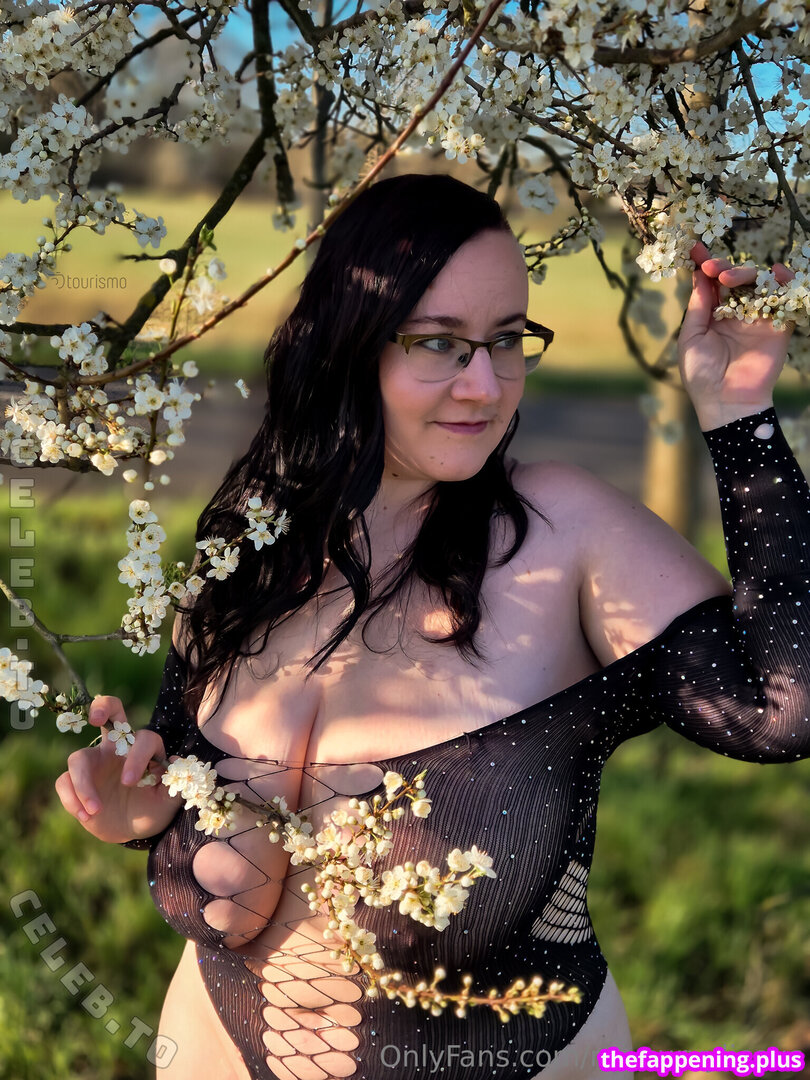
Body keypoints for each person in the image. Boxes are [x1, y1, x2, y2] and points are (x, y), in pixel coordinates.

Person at [55, 172, 810, 1080]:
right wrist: (142, 816)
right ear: (349, 343)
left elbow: (781, 710)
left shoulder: (562, 533)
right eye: (440, 343)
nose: (485, 385)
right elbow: (205, 818)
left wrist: (738, 415)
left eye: (506, 340)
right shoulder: (247, 547)